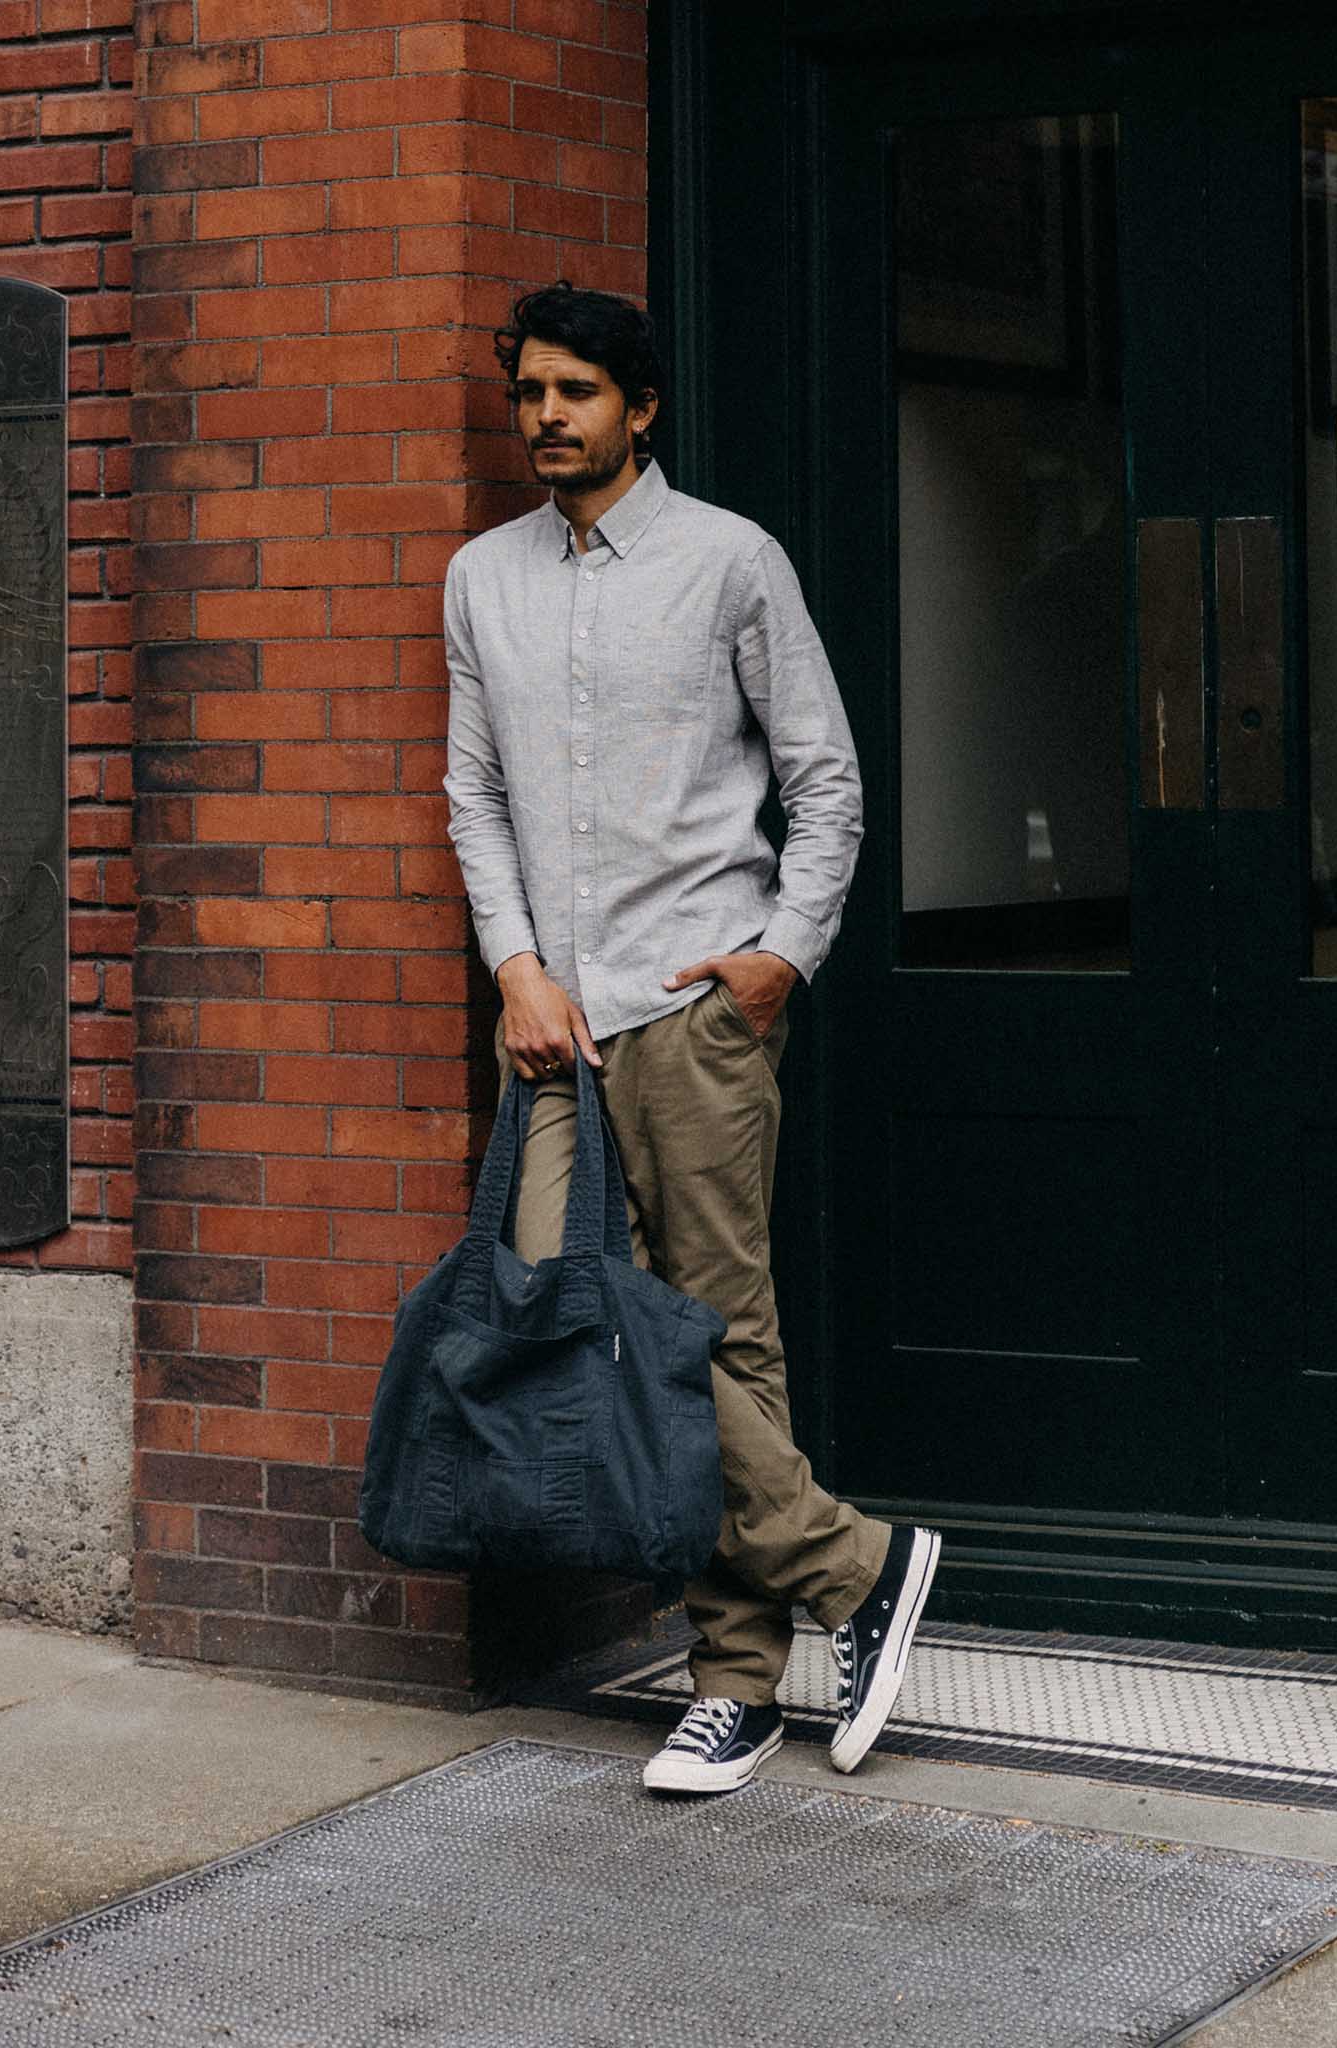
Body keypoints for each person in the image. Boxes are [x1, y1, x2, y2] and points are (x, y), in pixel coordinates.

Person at [441, 281, 940, 1796]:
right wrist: (515, 967)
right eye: (529, 390)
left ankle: (735, 1681)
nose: (547, 416)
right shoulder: (481, 580)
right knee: (564, 1306)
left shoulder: (734, 563)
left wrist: (779, 960)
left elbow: (828, 783)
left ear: (639, 407)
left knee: (717, 1330)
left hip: (696, 1015)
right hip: (554, 1033)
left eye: (576, 392)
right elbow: (475, 798)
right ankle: (860, 1563)